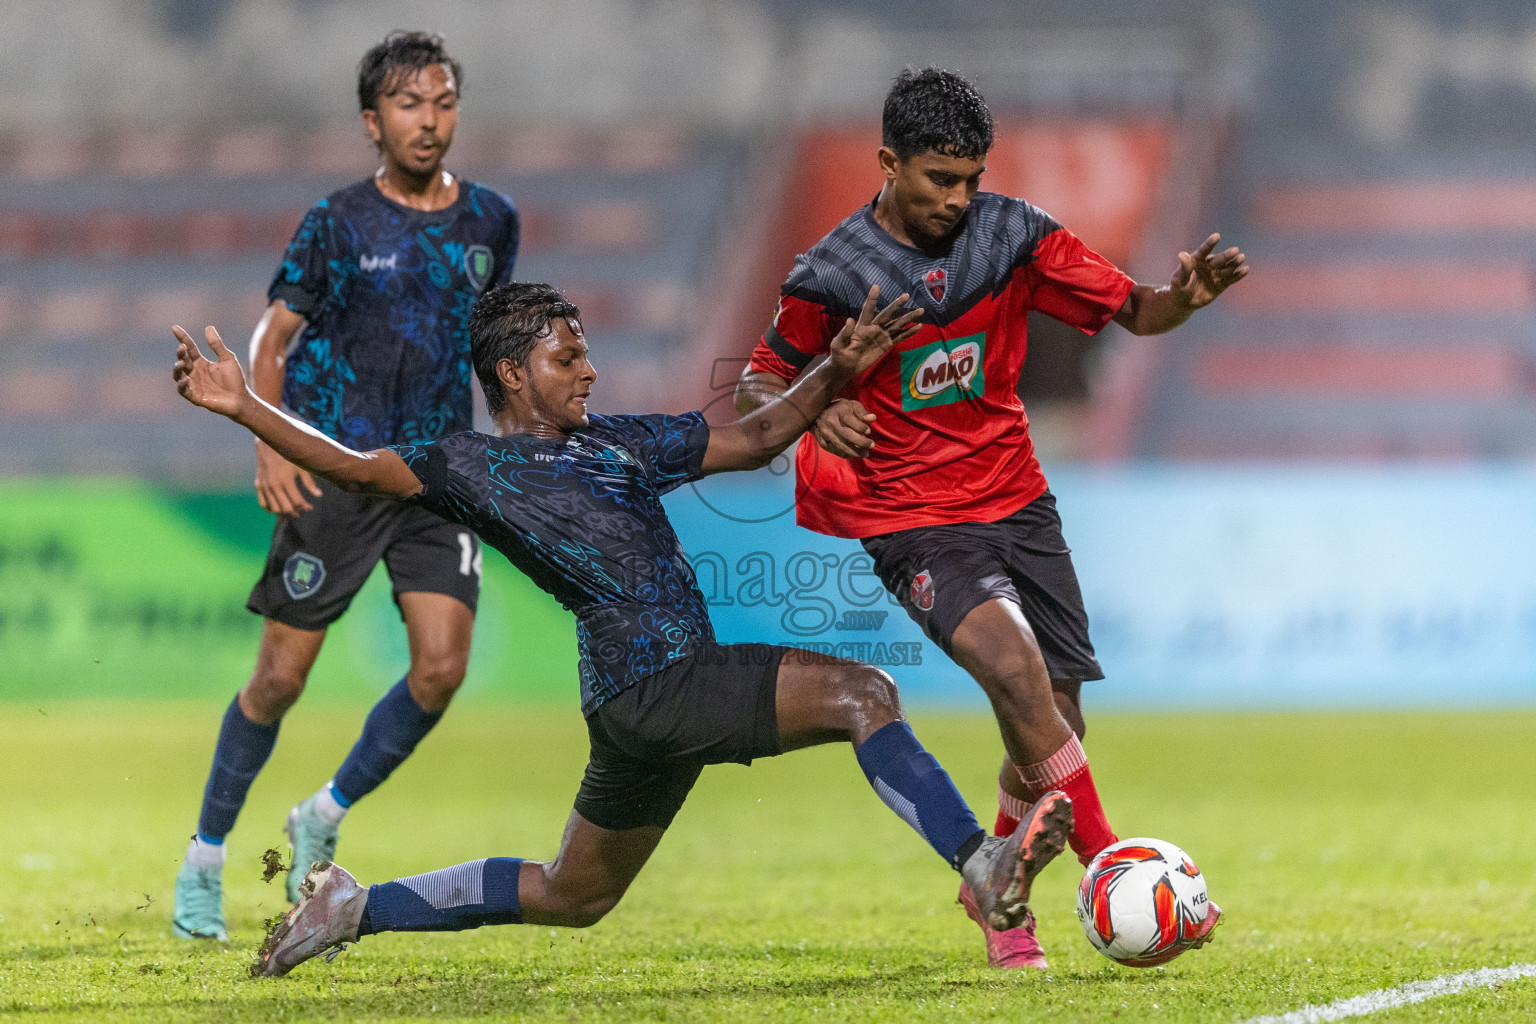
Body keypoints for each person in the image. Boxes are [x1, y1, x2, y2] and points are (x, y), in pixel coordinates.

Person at [171, 280, 1076, 978]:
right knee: (862, 694)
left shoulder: (619, 441)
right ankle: (980, 860)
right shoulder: (469, 464)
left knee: (575, 892)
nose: (590, 370)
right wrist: (246, 406)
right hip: (660, 682)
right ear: (515, 374)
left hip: (636, 700)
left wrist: (834, 367)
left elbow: (758, 438)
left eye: (588, 353)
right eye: (569, 357)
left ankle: (352, 909)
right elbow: (360, 470)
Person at [735, 68, 1244, 968]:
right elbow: (758, 383)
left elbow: (1135, 308)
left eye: (971, 177)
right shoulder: (829, 274)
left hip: (1016, 499)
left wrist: (1184, 300)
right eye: (940, 179)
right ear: (889, 163)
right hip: (909, 517)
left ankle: (995, 894)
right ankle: (1113, 868)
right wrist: (816, 404)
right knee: (1013, 670)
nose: (959, 197)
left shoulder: (1014, 235)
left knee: (1056, 723)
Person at [172, 31, 521, 941]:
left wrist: (512, 448)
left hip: (436, 475)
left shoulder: (493, 220)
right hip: (334, 473)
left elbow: (494, 348)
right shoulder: (336, 222)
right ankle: (205, 856)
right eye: (409, 104)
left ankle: (323, 811)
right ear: (373, 121)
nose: (429, 120)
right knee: (280, 680)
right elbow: (271, 338)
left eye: (443, 102)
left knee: (442, 668)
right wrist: (269, 446)